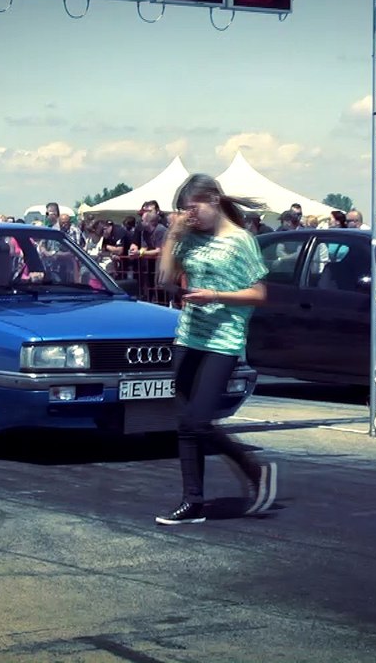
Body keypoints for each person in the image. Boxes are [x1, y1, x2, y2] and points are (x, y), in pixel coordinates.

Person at [155, 173, 276, 525]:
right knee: (185, 423)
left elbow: (259, 294)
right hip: (189, 336)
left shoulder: (241, 241)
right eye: (183, 211)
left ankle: (253, 467)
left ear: (212, 201)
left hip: (223, 340)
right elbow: (164, 280)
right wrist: (173, 236)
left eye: (193, 209)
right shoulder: (189, 237)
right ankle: (192, 502)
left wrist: (215, 295)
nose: (189, 216)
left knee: (199, 420)